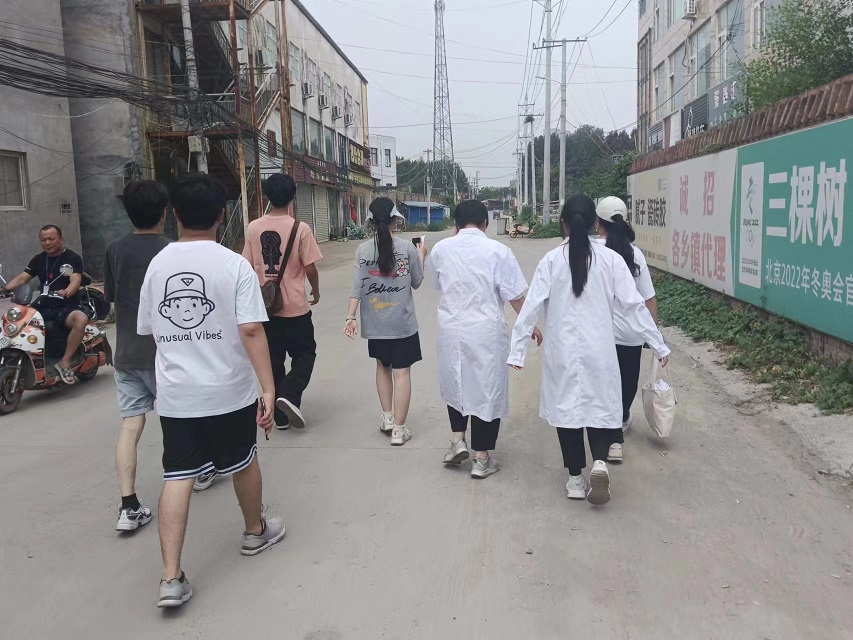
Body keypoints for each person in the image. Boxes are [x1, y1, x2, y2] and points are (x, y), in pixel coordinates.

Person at [137, 173, 283, 608]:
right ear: (222, 215)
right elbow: (252, 329)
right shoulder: (234, 265)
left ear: (174, 215)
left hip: (178, 395)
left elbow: (149, 329)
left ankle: (170, 578)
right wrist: (268, 388)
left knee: (177, 476)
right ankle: (255, 532)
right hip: (228, 391)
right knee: (244, 460)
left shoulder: (158, 264)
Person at [508, 195, 670, 506]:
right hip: (600, 350)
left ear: (563, 223)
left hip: (562, 352)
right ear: (595, 223)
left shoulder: (551, 261)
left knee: (566, 411)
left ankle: (574, 479)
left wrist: (517, 351)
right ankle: (599, 462)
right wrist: (658, 343)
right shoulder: (611, 260)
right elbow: (635, 306)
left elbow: (530, 308)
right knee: (600, 406)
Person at [426, 200, 542, 478]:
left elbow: (436, 284)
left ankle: (458, 440)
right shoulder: (498, 251)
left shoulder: (441, 249)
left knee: (455, 382)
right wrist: (530, 325)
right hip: (485, 332)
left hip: (451, 329)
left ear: (455, 224)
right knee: (486, 390)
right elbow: (515, 296)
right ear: (485, 224)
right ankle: (481, 459)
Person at [104, 181, 171, 532]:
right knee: (177, 420)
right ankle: (199, 472)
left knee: (131, 424)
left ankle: (128, 507)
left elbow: (112, 297)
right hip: (166, 354)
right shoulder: (172, 250)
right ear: (165, 212)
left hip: (127, 353)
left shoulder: (115, 249)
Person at [344, 197, 426, 446]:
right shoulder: (407, 248)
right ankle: (399, 431)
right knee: (402, 373)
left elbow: (357, 287)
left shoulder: (363, 250)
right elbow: (417, 282)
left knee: (382, 366)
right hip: (403, 325)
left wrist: (350, 317)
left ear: (370, 221)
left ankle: (388, 418)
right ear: (394, 219)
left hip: (376, 324)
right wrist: (421, 255)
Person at [243, 174, 322, 430]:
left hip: (264, 309)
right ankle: (289, 394)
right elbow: (310, 268)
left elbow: (246, 266)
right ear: (292, 197)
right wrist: (315, 290)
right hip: (296, 308)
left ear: (266, 196)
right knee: (305, 354)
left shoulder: (253, 228)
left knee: (273, 360)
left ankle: (279, 417)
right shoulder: (300, 228)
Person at [594, 196, 659, 464]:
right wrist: (652, 335)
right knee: (627, 380)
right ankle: (620, 421)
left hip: (601, 332)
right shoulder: (634, 254)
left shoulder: (593, 251)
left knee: (603, 381)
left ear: (597, 223)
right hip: (631, 333)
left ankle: (606, 427)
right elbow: (648, 298)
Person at [1, 225, 88, 384]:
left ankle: (65, 362)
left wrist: (67, 291)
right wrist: (4, 289)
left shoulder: (72, 258)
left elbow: (75, 280)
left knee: (81, 319)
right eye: (43, 239)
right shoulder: (39, 259)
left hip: (66, 306)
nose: (47, 242)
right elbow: (23, 278)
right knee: (13, 319)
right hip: (43, 305)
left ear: (61, 239)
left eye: (51, 239)